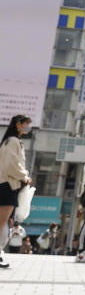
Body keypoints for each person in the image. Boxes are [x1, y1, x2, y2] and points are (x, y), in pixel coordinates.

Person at [0, 115, 32, 268]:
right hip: (8, 185)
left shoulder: (10, 141)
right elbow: (12, 164)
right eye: (26, 124)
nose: (28, 127)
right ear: (18, 125)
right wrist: (24, 176)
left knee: (3, 222)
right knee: (2, 223)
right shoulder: (13, 141)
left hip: (6, 184)